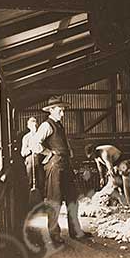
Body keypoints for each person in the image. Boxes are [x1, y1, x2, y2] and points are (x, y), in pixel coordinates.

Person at [32, 96, 91, 244]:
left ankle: (75, 232)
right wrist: (48, 153)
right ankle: (54, 234)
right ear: (51, 110)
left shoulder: (59, 125)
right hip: (55, 167)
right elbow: (34, 144)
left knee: (72, 199)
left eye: (63, 110)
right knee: (55, 200)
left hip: (65, 165)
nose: (62, 113)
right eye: (60, 110)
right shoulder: (47, 125)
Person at [20, 117, 44, 194]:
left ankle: (42, 198)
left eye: (36, 126)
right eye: (33, 126)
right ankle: (30, 199)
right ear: (29, 127)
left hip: (40, 161)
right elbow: (22, 153)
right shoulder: (26, 138)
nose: (35, 128)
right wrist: (30, 149)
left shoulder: (41, 136)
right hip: (30, 161)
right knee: (30, 181)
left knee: (41, 181)